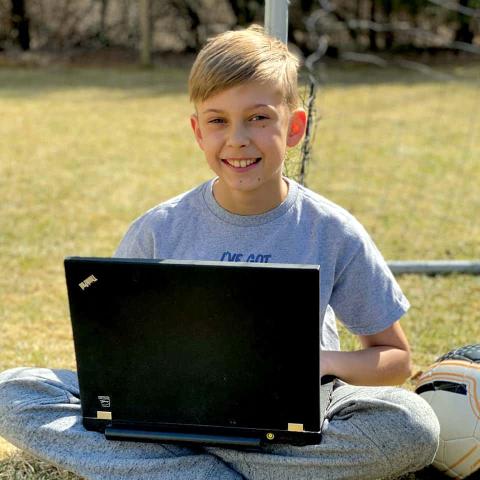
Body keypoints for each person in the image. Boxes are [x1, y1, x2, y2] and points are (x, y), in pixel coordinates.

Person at [0, 25, 439, 480]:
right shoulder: (158, 229)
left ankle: (180, 469)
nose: (238, 139)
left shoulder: (331, 231)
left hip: (290, 421)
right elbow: (115, 358)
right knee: (12, 392)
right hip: (173, 410)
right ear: (197, 132)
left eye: (258, 118)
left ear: (294, 128)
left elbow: (396, 360)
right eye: (218, 121)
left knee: (412, 425)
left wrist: (320, 362)